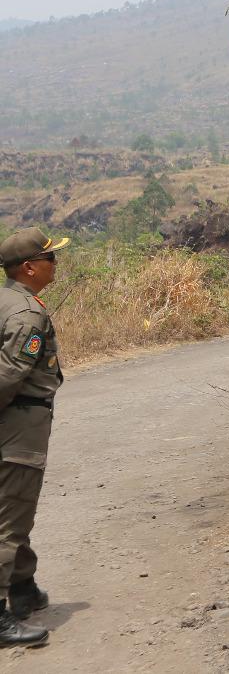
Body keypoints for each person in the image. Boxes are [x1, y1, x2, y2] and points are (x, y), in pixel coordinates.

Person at [0, 229, 66, 650]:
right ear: (29, 268)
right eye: (50, 259)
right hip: (19, 422)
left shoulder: (6, 300)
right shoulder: (27, 313)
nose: (54, 265)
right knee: (9, 519)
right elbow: (10, 373)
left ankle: (23, 590)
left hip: (14, 418)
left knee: (15, 507)